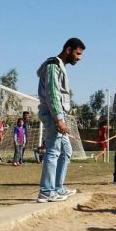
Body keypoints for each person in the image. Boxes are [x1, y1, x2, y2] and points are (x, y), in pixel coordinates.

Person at [36, 38, 85, 203]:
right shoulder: (52, 66)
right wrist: (59, 119)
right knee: (53, 151)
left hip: (59, 115)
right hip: (53, 114)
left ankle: (57, 188)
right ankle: (46, 191)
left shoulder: (60, 67)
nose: (79, 58)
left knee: (66, 152)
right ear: (68, 49)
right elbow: (52, 94)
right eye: (77, 53)